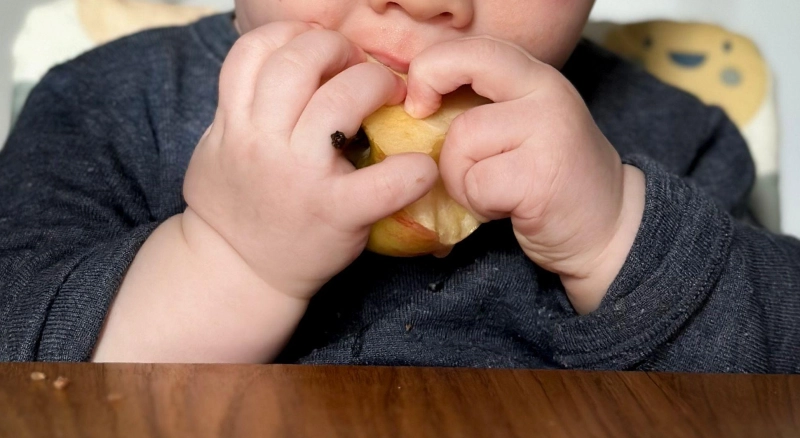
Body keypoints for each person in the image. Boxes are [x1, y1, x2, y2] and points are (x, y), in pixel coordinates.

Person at [1, 0, 799, 372]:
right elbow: (21, 363)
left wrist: (616, 232)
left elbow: (772, 379)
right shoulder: (111, 101)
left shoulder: (672, 134)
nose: (424, 2)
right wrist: (230, 259)